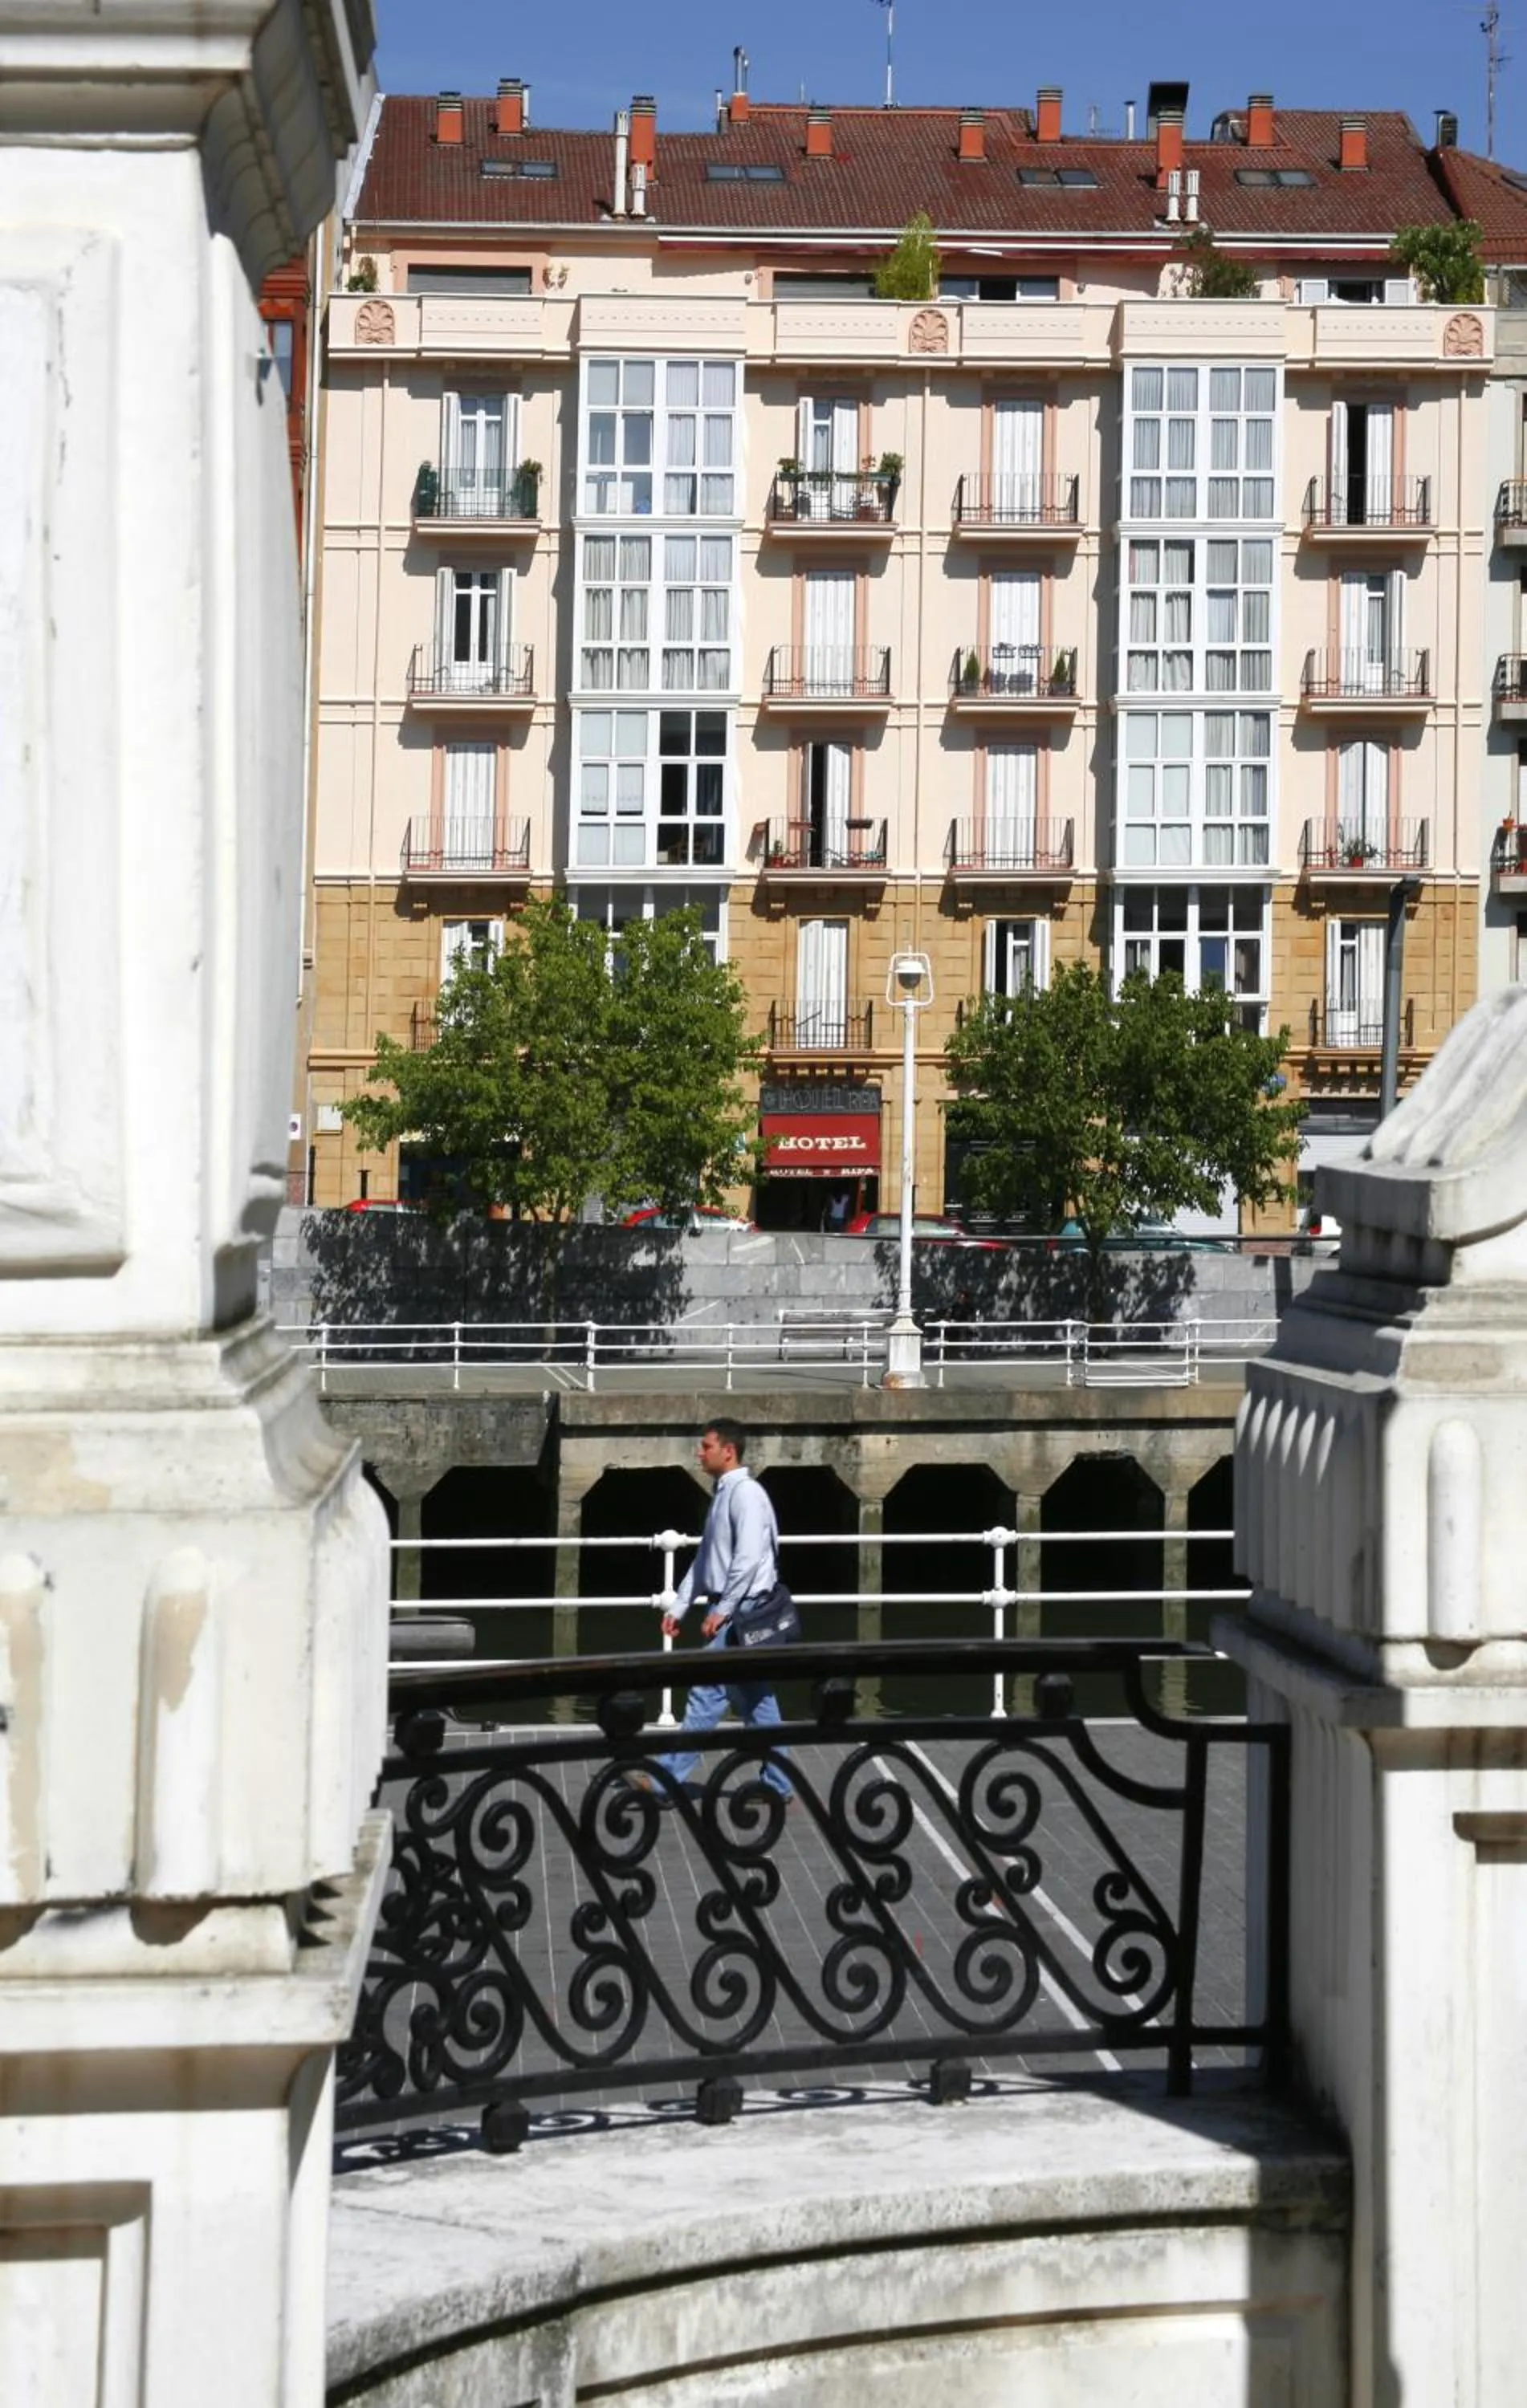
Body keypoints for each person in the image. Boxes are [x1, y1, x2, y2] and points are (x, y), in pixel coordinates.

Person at [634, 1418, 792, 1802]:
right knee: (757, 1700)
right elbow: (708, 1558)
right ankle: (780, 1783)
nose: (699, 1453)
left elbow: (748, 1560)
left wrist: (721, 1610)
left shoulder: (746, 1495)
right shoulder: (724, 1493)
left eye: (706, 1446)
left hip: (742, 1613)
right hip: (738, 1610)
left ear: (728, 1451)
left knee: (707, 1693)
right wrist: (682, 1605)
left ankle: (664, 1784)